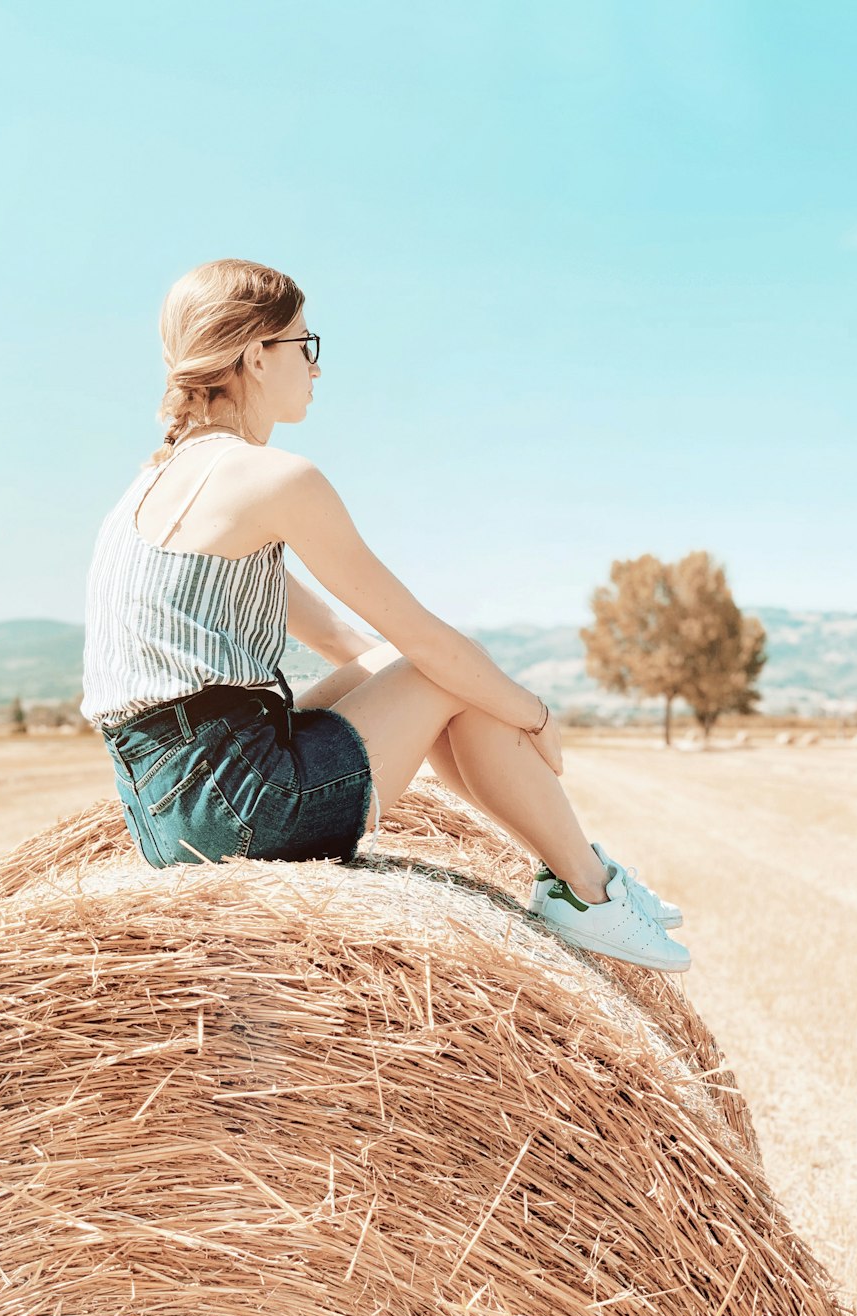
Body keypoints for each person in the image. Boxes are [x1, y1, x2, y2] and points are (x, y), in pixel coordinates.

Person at [81, 258, 689, 973]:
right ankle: (588, 889)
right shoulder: (275, 479)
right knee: (443, 669)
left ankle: (572, 863)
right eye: (304, 345)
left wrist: (445, 715)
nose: (314, 367)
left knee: (429, 679)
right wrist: (534, 714)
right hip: (244, 808)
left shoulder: (148, 491)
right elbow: (422, 638)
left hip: (167, 814)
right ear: (254, 355)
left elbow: (345, 642)